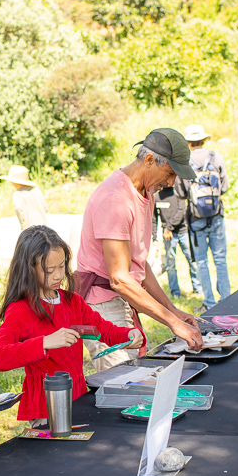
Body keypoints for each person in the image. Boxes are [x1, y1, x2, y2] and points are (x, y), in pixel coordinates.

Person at [75, 128, 203, 372]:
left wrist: (173, 311)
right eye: (169, 173)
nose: (171, 183)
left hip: (122, 297)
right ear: (149, 160)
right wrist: (172, 322)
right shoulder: (115, 199)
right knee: (123, 383)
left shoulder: (145, 191)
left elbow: (139, 265)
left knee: (133, 378)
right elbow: (120, 280)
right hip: (103, 303)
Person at [0, 226, 143, 424]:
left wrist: (130, 334)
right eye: (49, 270)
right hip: (46, 406)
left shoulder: (73, 301)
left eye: (61, 266)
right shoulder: (20, 310)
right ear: (28, 269)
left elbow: (103, 330)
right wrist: (44, 342)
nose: (57, 276)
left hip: (77, 397)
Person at [177, 124, 230, 309]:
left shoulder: (185, 162)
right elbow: (224, 188)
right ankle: (226, 299)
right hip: (216, 214)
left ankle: (209, 302)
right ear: (203, 139)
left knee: (201, 261)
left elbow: (181, 192)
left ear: (189, 142)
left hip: (195, 218)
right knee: (220, 259)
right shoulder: (216, 158)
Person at [153, 185, 201, 298]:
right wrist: (154, 237)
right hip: (168, 236)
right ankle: (175, 292)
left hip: (182, 232)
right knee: (171, 264)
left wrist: (168, 227)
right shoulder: (156, 197)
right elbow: (153, 219)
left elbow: (181, 212)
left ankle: (198, 289)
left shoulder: (178, 193)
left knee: (192, 260)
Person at [0, 165, 48, 230]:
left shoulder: (17, 194)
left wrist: (24, 230)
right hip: (44, 229)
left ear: (15, 182)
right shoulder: (37, 190)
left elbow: (19, 209)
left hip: (30, 231)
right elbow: (45, 207)